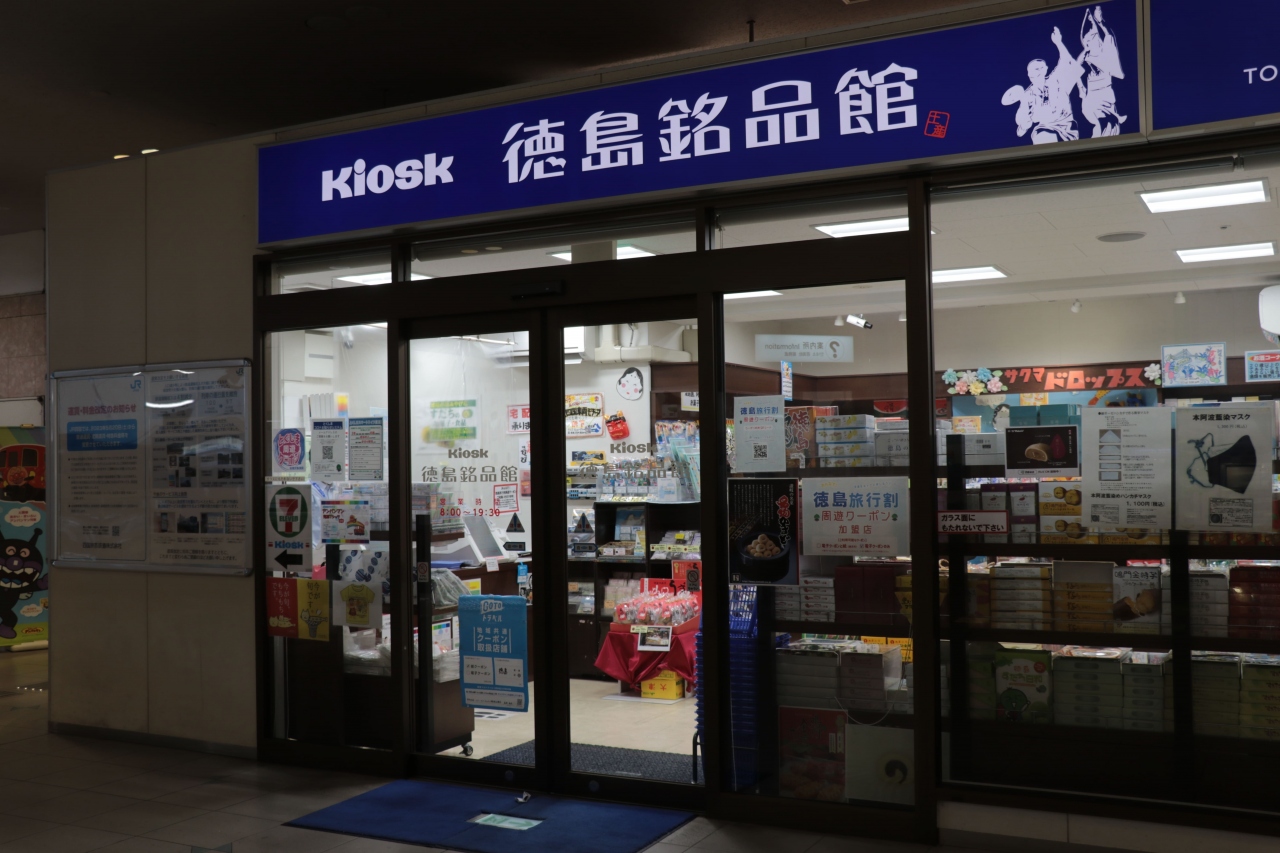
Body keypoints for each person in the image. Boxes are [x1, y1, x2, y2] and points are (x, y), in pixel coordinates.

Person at [1007, 26, 1084, 144]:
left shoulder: (1056, 80)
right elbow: (1021, 129)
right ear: (1029, 74)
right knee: (1043, 137)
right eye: (1034, 70)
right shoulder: (1027, 96)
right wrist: (1024, 124)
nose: (1037, 72)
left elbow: (1066, 61)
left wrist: (1058, 43)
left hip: (1067, 127)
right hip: (1044, 130)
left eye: (1040, 68)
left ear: (1046, 69)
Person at [1077, 6, 1127, 137]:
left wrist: (1099, 22)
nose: (1089, 40)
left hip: (1106, 97)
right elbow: (1076, 68)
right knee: (1103, 125)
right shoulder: (1087, 57)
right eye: (1087, 40)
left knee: (1110, 126)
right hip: (1092, 100)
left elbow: (1109, 35)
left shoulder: (1106, 54)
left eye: (1092, 36)